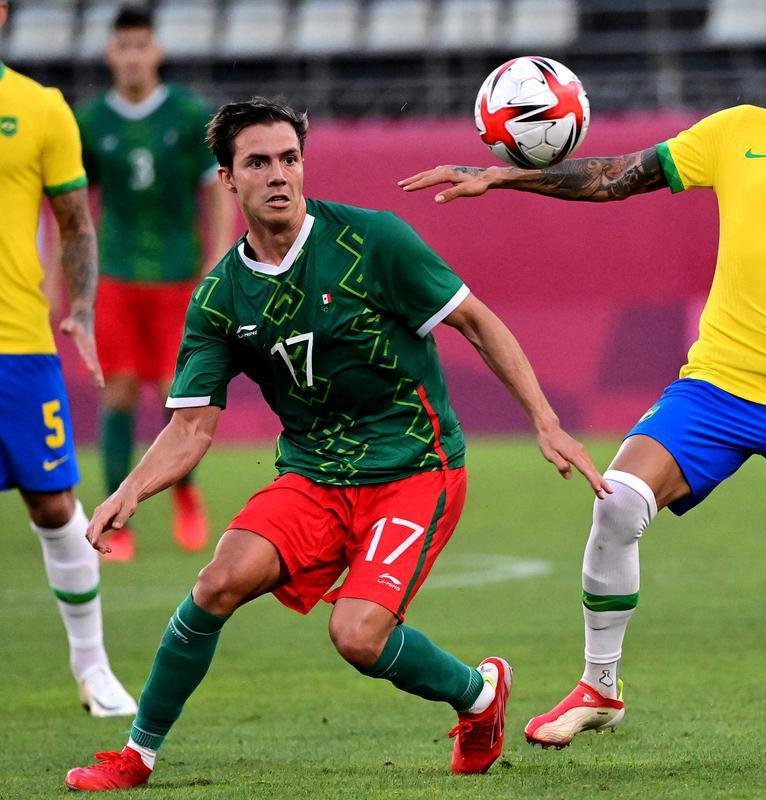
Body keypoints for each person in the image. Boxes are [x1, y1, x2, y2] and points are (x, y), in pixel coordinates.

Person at [401, 16, 766, 759]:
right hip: (715, 389)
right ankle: (600, 688)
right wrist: (508, 175)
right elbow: (621, 175)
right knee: (617, 500)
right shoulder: (740, 132)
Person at [64, 98, 608, 791]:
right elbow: (191, 428)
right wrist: (131, 490)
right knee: (216, 582)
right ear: (227, 180)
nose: (278, 174)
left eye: (288, 158)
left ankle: (475, 696)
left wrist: (545, 420)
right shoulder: (221, 298)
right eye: (257, 162)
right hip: (315, 476)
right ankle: (137, 756)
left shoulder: (371, 241)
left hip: (415, 465)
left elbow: (474, 321)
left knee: (356, 636)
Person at [0, 0, 138, 718]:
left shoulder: (39, 108)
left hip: (18, 344)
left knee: (55, 504)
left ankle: (93, 670)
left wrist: (80, 308)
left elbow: (76, 222)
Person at [75, 4, 236, 561]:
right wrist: (72, 272)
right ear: (110, 54)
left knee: (178, 396)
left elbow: (216, 188)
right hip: (118, 273)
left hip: (176, 275)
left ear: (156, 52)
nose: (133, 56)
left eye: (142, 45)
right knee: (117, 390)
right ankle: (117, 517)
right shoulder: (93, 121)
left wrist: (218, 258)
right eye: (124, 47)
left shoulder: (188, 114)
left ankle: (186, 496)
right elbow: (73, 201)